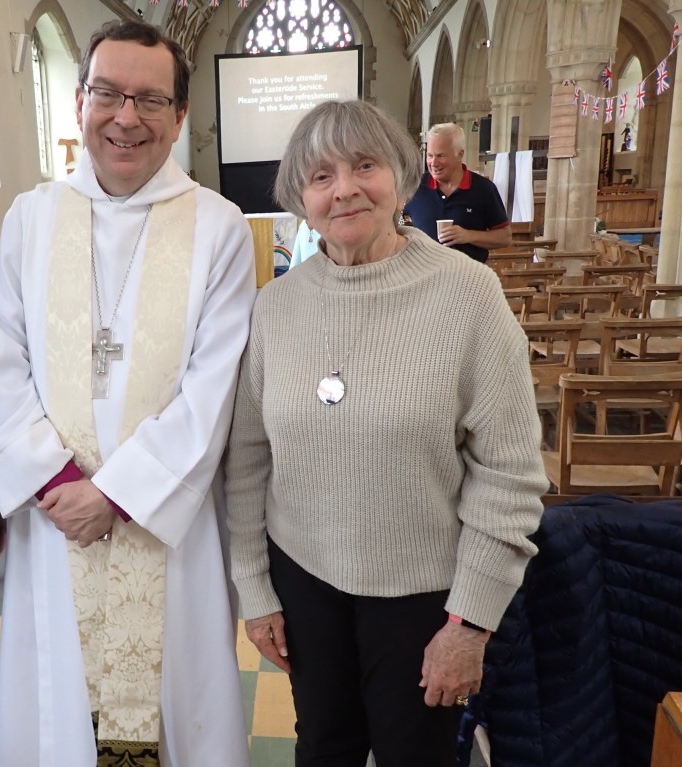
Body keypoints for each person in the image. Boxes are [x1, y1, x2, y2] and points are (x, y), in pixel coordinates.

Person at [225, 100, 547, 767]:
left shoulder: (469, 295)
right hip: (304, 582)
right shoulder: (275, 307)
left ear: (401, 178)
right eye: (321, 176)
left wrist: (470, 623)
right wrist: (254, 589)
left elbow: (510, 473)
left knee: (416, 756)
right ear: (301, 199)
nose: (344, 188)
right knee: (322, 748)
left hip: (425, 596)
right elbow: (250, 459)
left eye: (364, 165)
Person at [0, 18, 255, 767]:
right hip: (57, 520)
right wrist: (59, 482)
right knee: (59, 711)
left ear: (180, 115)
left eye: (150, 99)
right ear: (79, 102)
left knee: (177, 706)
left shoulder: (219, 228)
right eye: (108, 93)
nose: (127, 117)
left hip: (167, 525)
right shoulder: (32, 219)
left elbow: (215, 387)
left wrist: (118, 495)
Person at [404, 122, 512, 262]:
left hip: (469, 273)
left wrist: (469, 236)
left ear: (459, 154)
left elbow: (505, 237)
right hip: (424, 272)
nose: (433, 163)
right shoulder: (416, 186)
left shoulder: (484, 189)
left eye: (441, 156)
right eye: (430, 156)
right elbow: (395, 219)